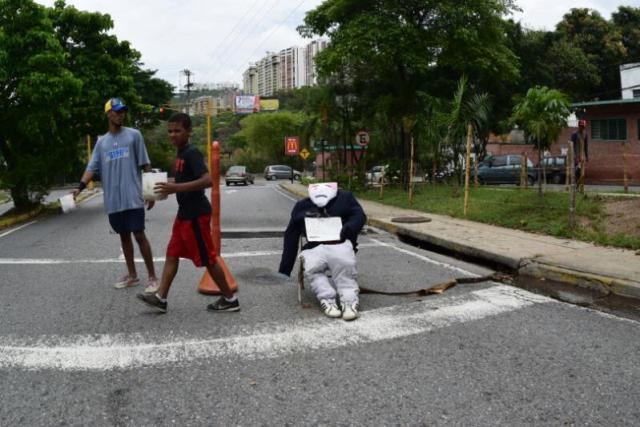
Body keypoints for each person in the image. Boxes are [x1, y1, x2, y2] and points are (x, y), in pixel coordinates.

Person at [136, 112, 239, 313]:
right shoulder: (181, 153)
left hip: (195, 216)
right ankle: (161, 298)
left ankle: (230, 298)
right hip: (184, 215)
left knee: (208, 258)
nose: (173, 135)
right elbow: (181, 182)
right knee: (172, 254)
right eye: (170, 131)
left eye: (177, 131)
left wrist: (175, 189)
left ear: (189, 131)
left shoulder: (191, 153)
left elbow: (209, 180)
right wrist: (156, 193)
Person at [73, 98, 158, 292]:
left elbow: (146, 164)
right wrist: (79, 188)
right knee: (124, 236)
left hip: (133, 197)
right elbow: (91, 168)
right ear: (108, 114)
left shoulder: (134, 135)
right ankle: (133, 275)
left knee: (139, 234)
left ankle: (153, 277)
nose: (121, 114)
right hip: (113, 200)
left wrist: (150, 192)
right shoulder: (102, 142)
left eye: (123, 111)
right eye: (117, 111)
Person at [278, 182, 367, 321]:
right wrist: (285, 268)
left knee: (344, 265)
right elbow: (291, 235)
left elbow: (359, 216)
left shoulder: (345, 198)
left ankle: (349, 300)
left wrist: (349, 228)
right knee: (312, 268)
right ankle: (327, 298)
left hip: (340, 243)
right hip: (314, 247)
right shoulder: (302, 206)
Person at [571, 119, 589, 187]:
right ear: (578, 126)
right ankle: (576, 185)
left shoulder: (585, 134)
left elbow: (586, 146)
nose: (582, 128)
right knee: (577, 171)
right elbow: (571, 146)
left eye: (583, 126)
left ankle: (579, 186)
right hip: (576, 156)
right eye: (581, 126)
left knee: (582, 174)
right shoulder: (574, 134)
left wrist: (587, 156)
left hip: (582, 156)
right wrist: (574, 156)